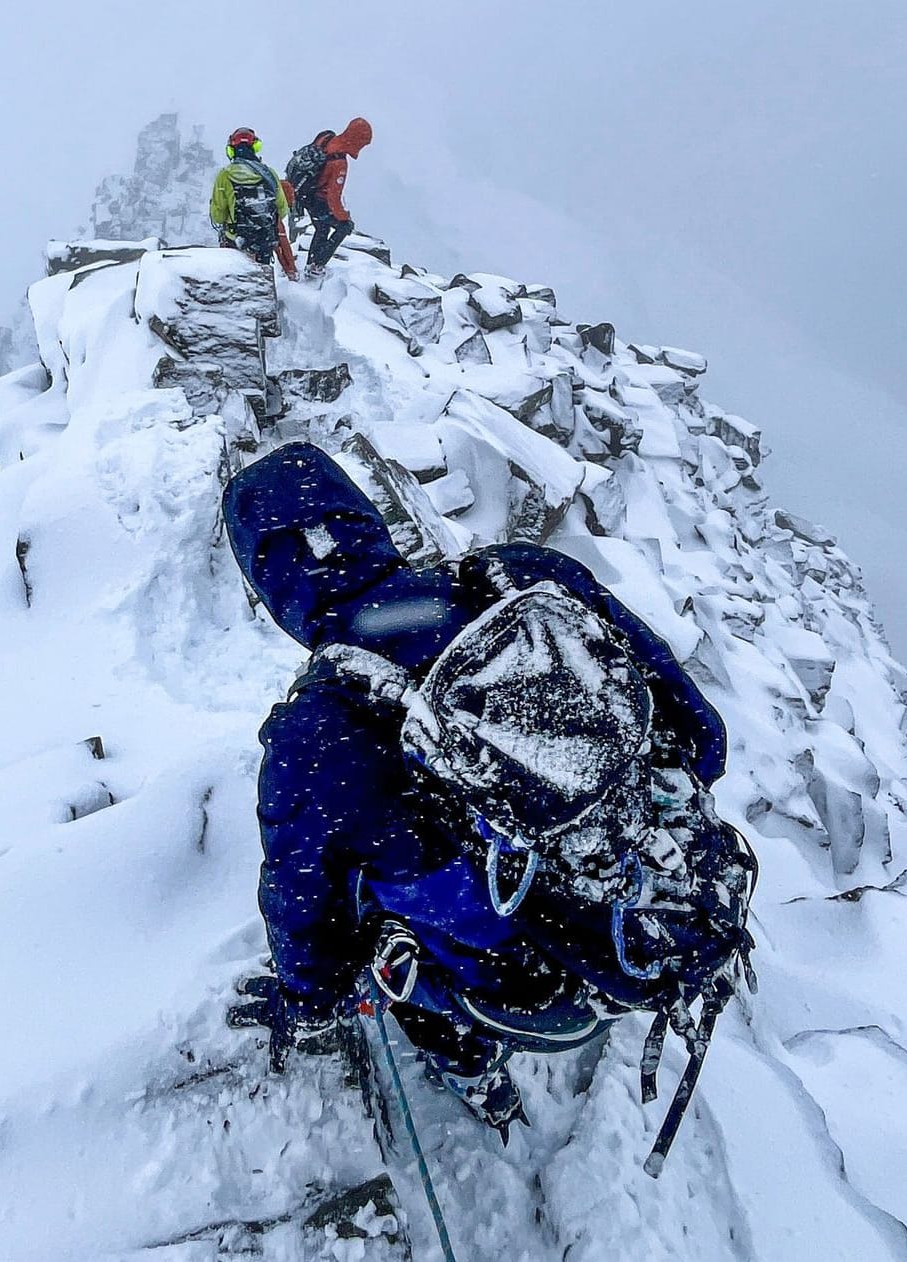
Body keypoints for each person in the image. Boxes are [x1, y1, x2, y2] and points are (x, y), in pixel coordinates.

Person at [223, 442, 755, 1163]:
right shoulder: (521, 579)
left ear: (271, 584)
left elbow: (302, 908)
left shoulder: (315, 731)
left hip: (530, 990)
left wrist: (306, 1003)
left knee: (384, 927)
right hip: (667, 894)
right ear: (366, 521)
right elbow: (701, 736)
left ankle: (473, 1070)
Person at [286, 118, 372, 278]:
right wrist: (345, 217)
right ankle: (316, 266)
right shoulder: (339, 162)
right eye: (363, 143)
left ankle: (312, 264)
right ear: (357, 139)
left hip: (305, 193)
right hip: (318, 199)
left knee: (322, 227)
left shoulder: (326, 138)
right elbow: (333, 197)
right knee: (344, 227)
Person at [209, 127, 299, 281]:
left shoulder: (225, 175)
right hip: (264, 239)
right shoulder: (269, 173)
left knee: (236, 282)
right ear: (255, 147)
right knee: (261, 278)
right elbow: (282, 209)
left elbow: (218, 215)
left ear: (231, 150)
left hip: (236, 239)